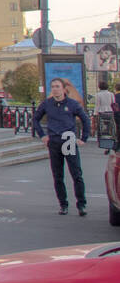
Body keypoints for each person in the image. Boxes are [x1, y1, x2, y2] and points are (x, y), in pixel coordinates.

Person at [32, 77, 90, 216]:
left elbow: (85, 119)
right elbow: (35, 119)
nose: (55, 89)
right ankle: (63, 205)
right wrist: (42, 135)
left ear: (64, 89)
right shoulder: (47, 104)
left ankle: (81, 205)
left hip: (69, 140)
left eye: (57, 86)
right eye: (53, 86)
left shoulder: (72, 104)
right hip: (54, 141)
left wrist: (84, 138)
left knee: (76, 175)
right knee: (58, 176)